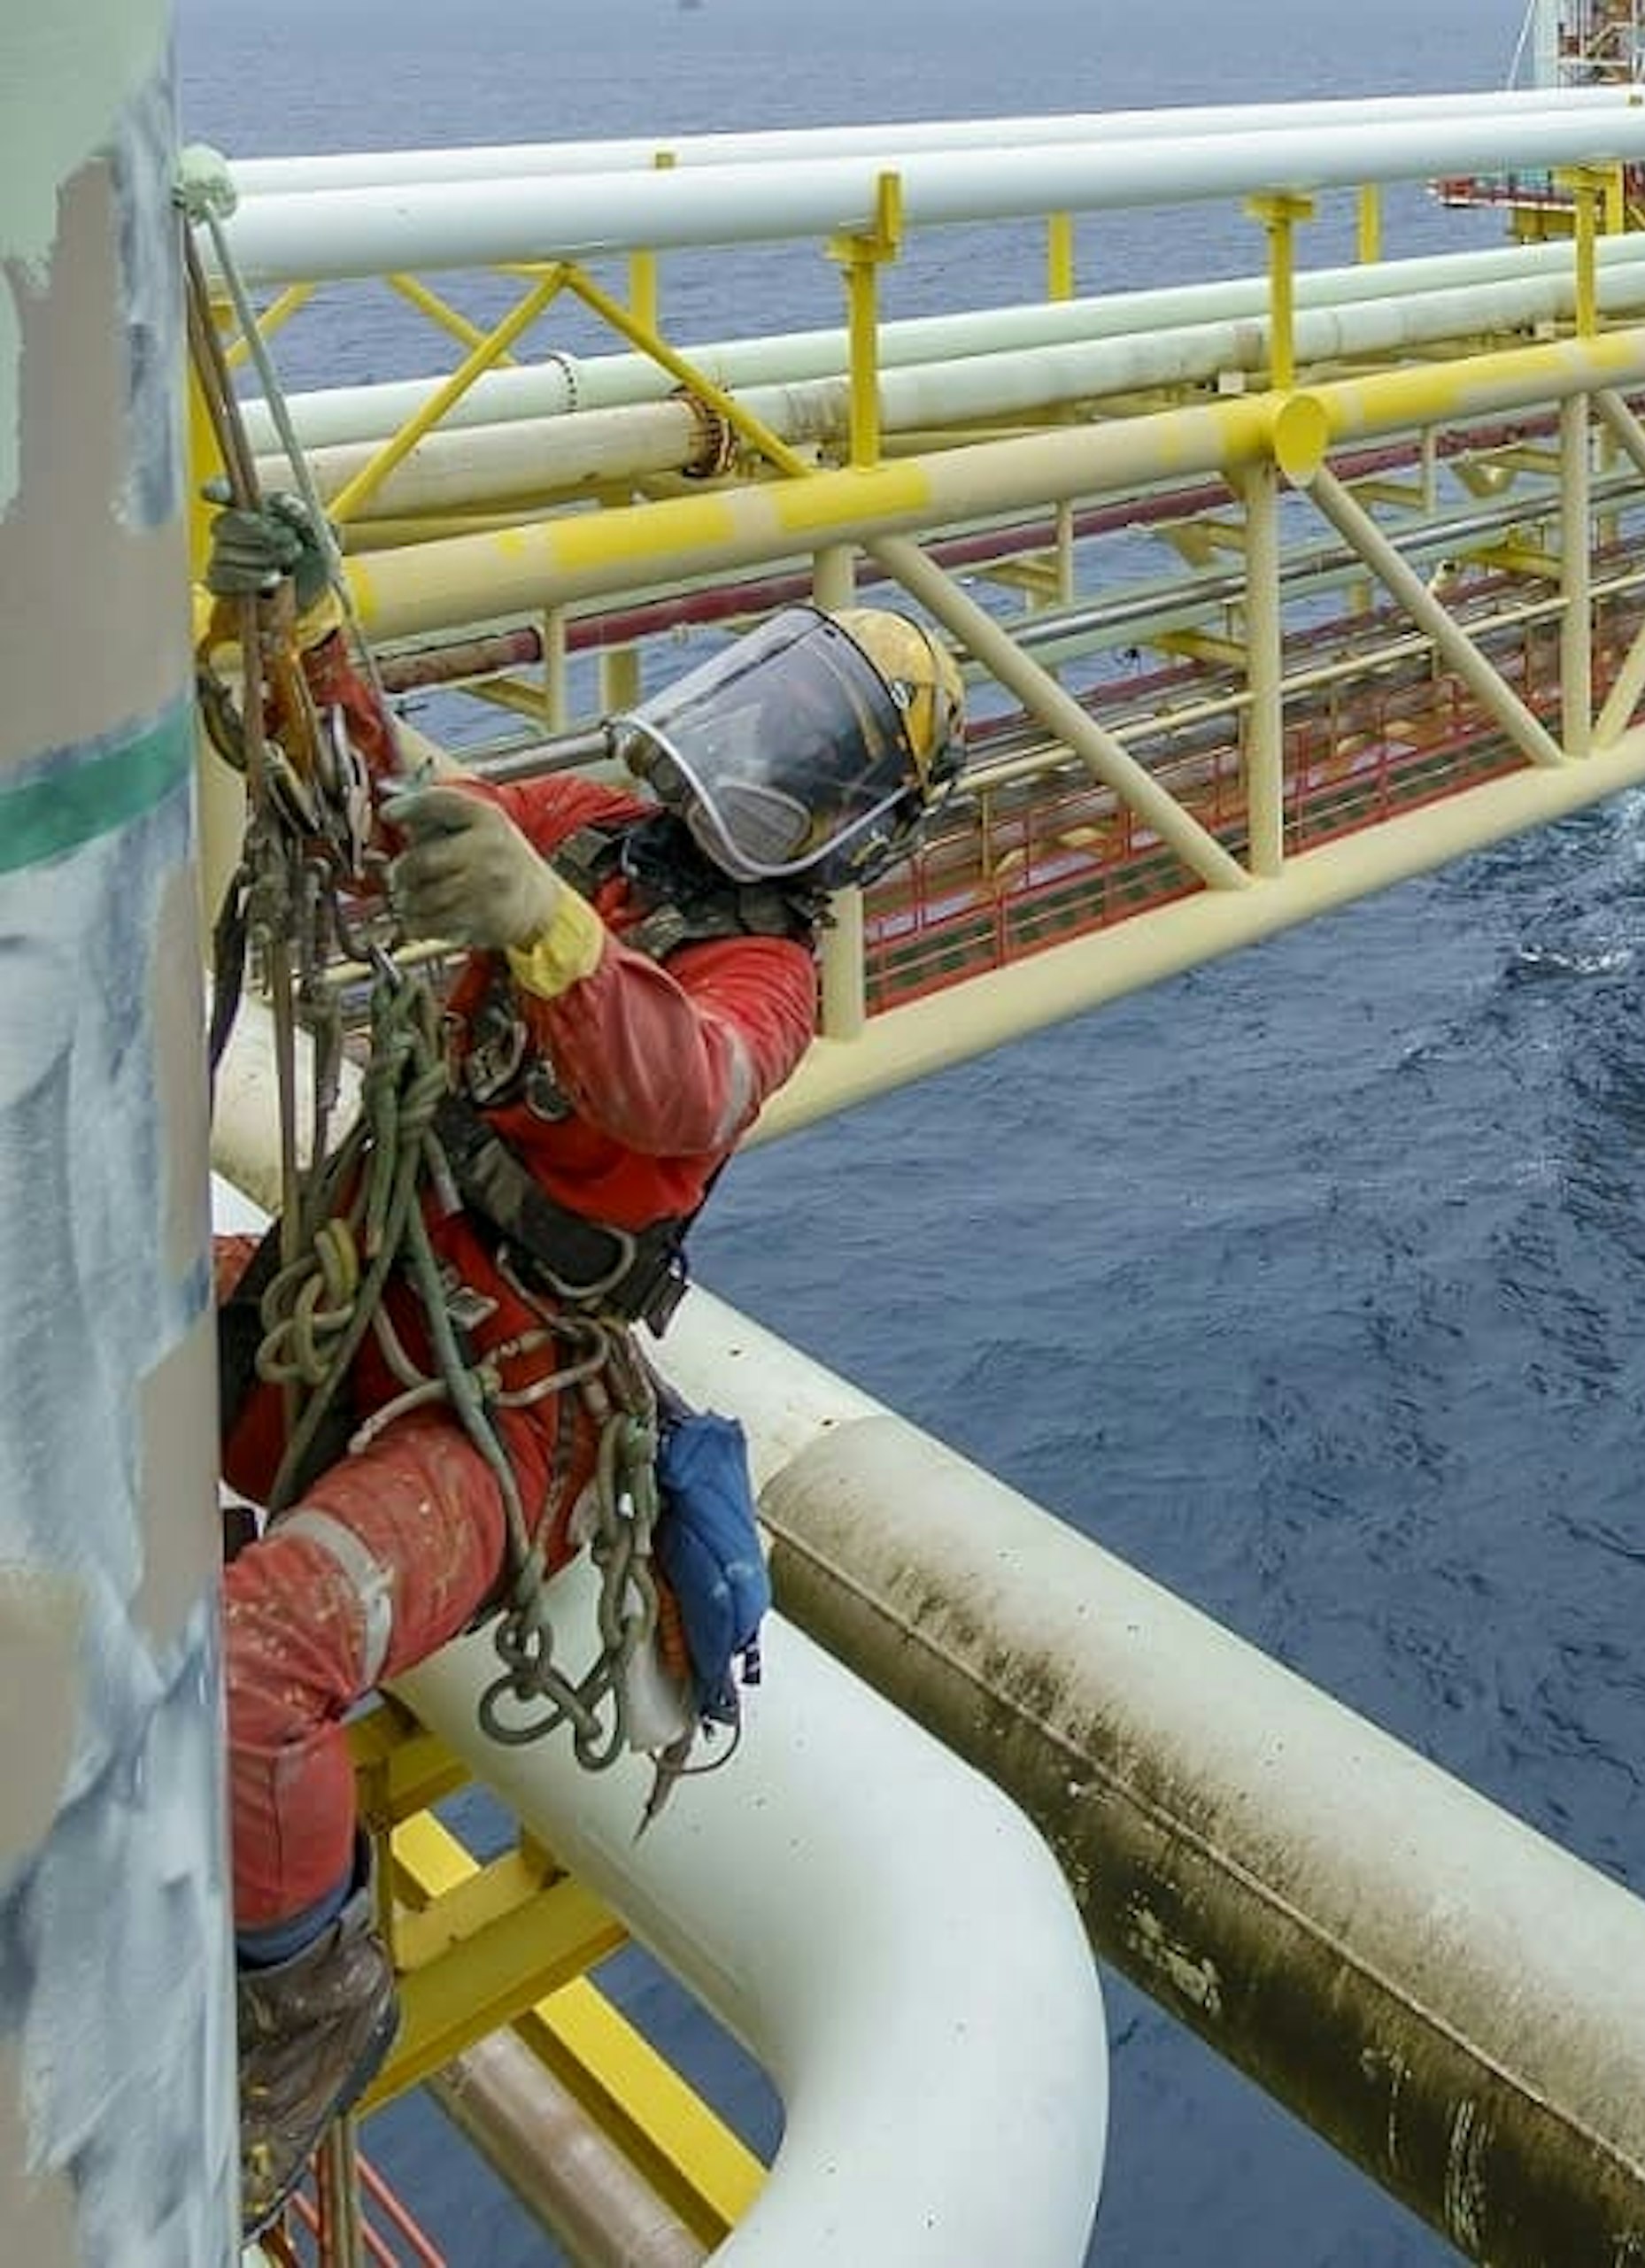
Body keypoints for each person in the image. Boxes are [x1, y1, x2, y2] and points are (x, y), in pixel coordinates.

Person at [199, 495, 966, 2235]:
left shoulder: (763, 973)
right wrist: (315, 644)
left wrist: (542, 927)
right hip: (368, 1298)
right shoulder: (609, 840)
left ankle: (298, 2008)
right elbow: (405, 803)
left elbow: (678, 1083)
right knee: (88, 1330)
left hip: (508, 1411)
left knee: (256, 1673)